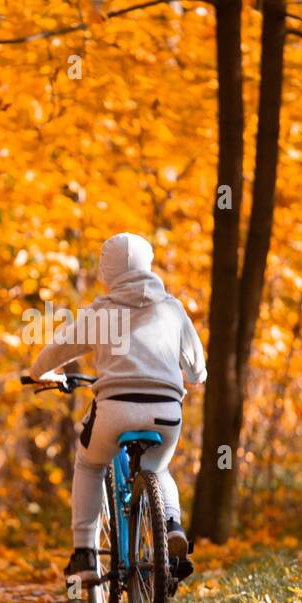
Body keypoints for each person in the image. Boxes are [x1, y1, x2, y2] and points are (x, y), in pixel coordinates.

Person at [27, 232, 207, 584]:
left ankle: (85, 554)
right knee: (158, 467)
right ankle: (171, 524)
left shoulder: (101, 312)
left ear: (106, 271)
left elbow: (59, 350)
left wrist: (39, 374)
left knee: (90, 463)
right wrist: (189, 375)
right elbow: (197, 370)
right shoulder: (171, 308)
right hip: (167, 412)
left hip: (115, 409)